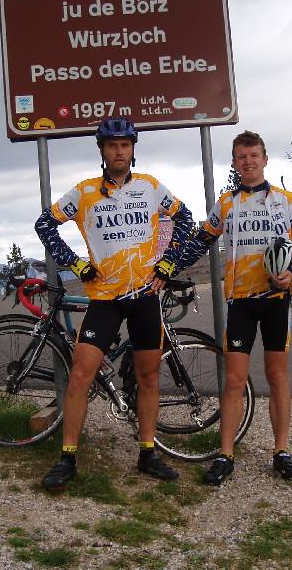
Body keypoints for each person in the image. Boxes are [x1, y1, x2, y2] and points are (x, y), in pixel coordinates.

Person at [34, 117, 194, 489]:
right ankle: (67, 458)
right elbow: (45, 224)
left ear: (133, 149)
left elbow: (185, 219)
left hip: (145, 297)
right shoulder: (85, 191)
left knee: (149, 377)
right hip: (104, 299)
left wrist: (168, 264)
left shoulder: (151, 186)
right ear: (102, 151)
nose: (119, 151)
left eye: (125, 145)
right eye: (112, 145)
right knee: (80, 376)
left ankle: (148, 453)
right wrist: (76, 264)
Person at [176, 130, 292, 485]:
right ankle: (225, 454)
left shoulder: (286, 200)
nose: (248, 162)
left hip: (275, 300)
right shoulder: (226, 203)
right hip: (239, 302)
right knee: (234, 380)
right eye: (241, 157)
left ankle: (281, 451)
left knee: (277, 376)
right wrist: (165, 268)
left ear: (265, 159)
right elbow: (200, 241)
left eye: (254, 155)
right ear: (235, 163)